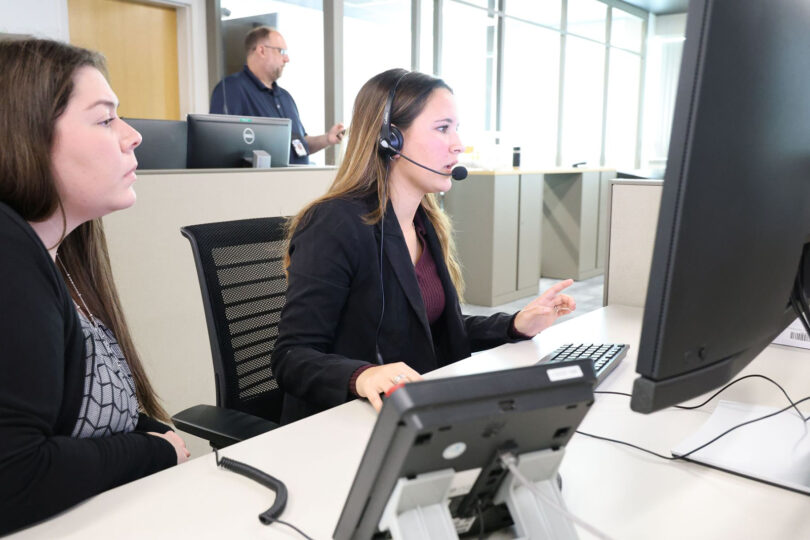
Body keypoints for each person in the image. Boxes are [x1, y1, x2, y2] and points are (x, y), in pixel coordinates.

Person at [270, 68, 576, 424]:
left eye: (456, 128)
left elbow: (437, 331)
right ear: (390, 140)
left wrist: (515, 325)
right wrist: (362, 376)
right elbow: (292, 356)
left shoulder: (424, 222)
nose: (458, 144)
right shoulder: (334, 224)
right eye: (443, 128)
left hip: (415, 412)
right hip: (344, 423)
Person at [0, 39, 189, 535]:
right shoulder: (8, 252)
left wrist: (153, 435)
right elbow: (13, 477)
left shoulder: (60, 252)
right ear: (26, 134)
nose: (132, 136)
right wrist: (152, 451)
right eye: (105, 119)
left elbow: (83, 412)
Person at [209, 26, 344, 165]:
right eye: (281, 51)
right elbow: (221, 146)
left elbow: (300, 145)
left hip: (298, 177)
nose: (287, 59)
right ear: (261, 50)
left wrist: (327, 139)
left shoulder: (285, 97)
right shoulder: (232, 89)